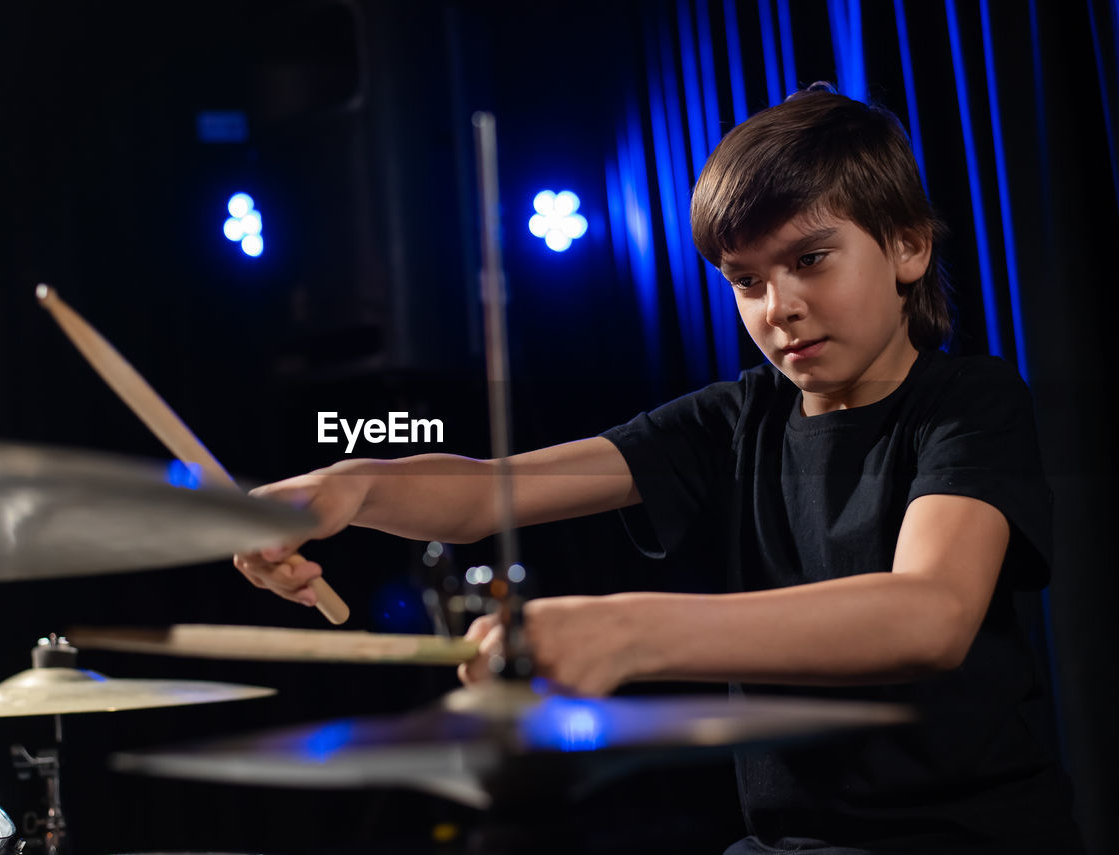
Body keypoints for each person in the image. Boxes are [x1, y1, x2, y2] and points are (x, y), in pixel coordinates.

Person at [233, 87, 1083, 854]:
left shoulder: (969, 400)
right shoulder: (737, 418)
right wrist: (351, 485)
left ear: (906, 247)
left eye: (810, 260)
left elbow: (928, 615)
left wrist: (631, 632)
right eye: (745, 281)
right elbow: (492, 491)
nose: (777, 307)